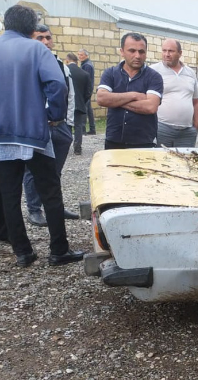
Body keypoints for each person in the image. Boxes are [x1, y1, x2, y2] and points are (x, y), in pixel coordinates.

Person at [0, 4, 84, 267]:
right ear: (31, 28)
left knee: (9, 195)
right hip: (33, 133)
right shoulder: (37, 49)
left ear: (5, 23)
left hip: (2, 137)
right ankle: (59, 250)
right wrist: (55, 115)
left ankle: (23, 252)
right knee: (50, 191)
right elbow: (57, 84)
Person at [23, 24, 80, 228]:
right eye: (40, 38)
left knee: (55, 170)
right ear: (31, 40)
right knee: (33, 171)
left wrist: (69, 123)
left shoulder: (60, 64)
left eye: (48, 37)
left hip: (61, 125)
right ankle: (34, 209)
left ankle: (54, 207)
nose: (45, 42)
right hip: (39, 126)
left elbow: (70, 94)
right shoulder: (27, 63)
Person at [96, 32, 163, 149]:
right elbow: (101, 99)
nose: (137, 55)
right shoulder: (110, 73)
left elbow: (150, 107)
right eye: (132, 51)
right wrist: (134, 95)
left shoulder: (154, 77)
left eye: (141, 52)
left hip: (144, 142)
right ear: (122, 51)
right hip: (114, 141)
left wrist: (116, 101)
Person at [150, 39, 198, 147]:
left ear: (180, 53)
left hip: (187, 132)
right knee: (163, 161)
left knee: (185, 162)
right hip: (161, 128)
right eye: (164, 51)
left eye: (171, 51)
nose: (166, 54)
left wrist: (196, 125)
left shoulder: (190, 73)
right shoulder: (153, 71)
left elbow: (196, 101)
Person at [65, 53, 92, 155]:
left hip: (67, 104)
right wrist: (83, 101)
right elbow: (88, 92)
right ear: (76, 61)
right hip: (80, 103)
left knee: (66, 125)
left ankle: (65, 147)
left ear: (67, 60)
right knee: (78, 126)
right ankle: (77, 148)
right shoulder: (84, 74)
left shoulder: (64, 71)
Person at [78, 48, 97, 135]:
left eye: (81, 55)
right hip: (87, 90)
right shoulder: (85, 64)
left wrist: (84, 91)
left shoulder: (87, 66)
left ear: (86, 55)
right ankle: (92, 129)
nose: (79, 56)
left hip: (86, 91)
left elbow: (86, 79)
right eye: (79, 55)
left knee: (84, 110)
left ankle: (82, 129)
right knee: (89, 110)